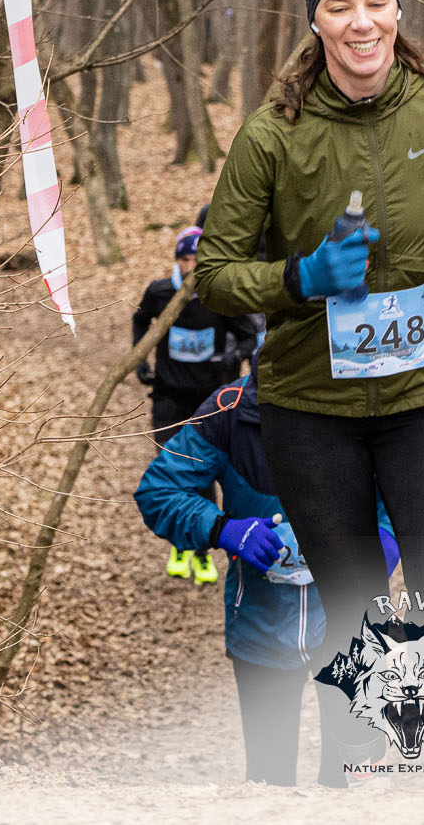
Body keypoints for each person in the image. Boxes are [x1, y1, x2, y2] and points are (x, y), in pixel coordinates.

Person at [194, 0, 424, 779]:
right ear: (316, 22)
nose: (362, 22)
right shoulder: (272, 135)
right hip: (311, 410)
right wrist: (301, 277)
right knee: (350, 604)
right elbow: (215, 275)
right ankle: (361, 761)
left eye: (376, 2)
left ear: (398, 9)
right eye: (340, 6)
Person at [135, 374, 398, 787]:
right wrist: (222, 528)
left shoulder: (362, 389)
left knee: (355, 785)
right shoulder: (229, 410)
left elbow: (413, 480)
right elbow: (158, 490)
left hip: (354, 627)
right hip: (262, 627)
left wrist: (388, 537)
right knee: (268, 787)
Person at [135, 225, 260, 583]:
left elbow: (250, 336)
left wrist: (233, 356)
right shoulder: (160, 292)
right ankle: (181, 544)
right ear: (177, 260)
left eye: (197, 259)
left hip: (210, 404)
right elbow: (139, 319)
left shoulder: (218, 297)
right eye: (185, 259)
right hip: (168, 398)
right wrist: (140, 356)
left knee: (204, 475)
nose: (190, 266)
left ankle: (202, 551)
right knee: (173, 471)